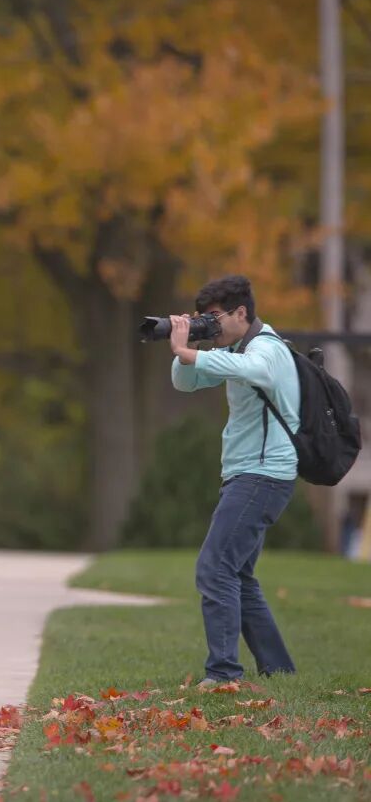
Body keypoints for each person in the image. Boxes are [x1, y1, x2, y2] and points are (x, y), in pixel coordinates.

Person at [169, 275, 300, 686]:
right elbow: (185, 382)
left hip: (263, 474)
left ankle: (224, 674)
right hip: (247, 473)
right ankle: (279, 670)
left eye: (214, 318)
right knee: (238, 575)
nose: (210, 325)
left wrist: (190, 352)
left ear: (241, 312)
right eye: (203, 318)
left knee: (215, 568)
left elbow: (256, 371)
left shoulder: (267, 348)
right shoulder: (233, 349)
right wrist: (187, 348)